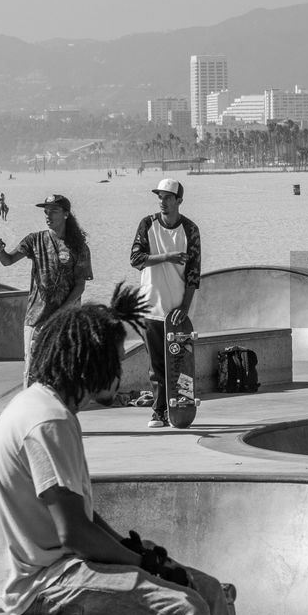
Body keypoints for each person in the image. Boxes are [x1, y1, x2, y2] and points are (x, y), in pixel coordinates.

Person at [0, 284, 236, 615]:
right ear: (92, 361)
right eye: (115, 361)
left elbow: (81, 514)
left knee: (206, 589)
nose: (119, 373)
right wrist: (143, 564)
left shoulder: (51, 411)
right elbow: (74, 533)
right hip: (42, 581)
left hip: (66, 568)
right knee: (184, 609)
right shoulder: (46, 420)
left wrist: (129, 548)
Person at [0, 194, 93, 384]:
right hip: (37, 319)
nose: (48, 215)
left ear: (66, 214)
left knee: (65, 374)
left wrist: (62, 311)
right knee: (32, 373)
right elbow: (8, 261)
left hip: (67, 321)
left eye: (54, 211)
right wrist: (0, 251)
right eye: (46, 212)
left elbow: (80, 285)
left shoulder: (79, 247)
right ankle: (32, 412)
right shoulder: (35, 240)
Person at [130, 179, 202, 428]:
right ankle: (159, 411)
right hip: (150, 306)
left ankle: (179, 408)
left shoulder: (190, 230)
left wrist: (185, 308)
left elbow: (194, 274)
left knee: (180, 363)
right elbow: (136, 258)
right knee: (156, 365)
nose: (163, 201)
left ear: (179, 201)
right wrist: (166, 257)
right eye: (160, 196)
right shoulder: (147, 224)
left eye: (168, 197)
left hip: (176, 311)